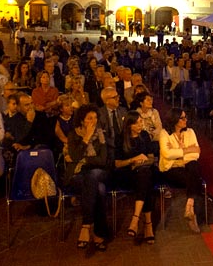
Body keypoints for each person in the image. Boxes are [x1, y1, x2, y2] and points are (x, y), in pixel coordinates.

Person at [65, 104, 109, 251]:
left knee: (93, 175)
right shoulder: (74, 135)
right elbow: (75, 155)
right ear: (82, 121)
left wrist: (84, 161)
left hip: (98, 171)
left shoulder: (101, 135)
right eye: (89, 118)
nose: (94, 121)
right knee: (100, 189)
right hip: (78, 176)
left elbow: (102, 160)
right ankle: (99, 234)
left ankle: (86, 225)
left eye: (95, 117)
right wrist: (86, 138)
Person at [158, 107, 204, 233]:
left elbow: (197, 154)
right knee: (196, 179)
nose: (185, 120)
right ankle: (191, 211)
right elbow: (166, 154)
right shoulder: (164, 133)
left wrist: (178, 154)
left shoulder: (190, 132)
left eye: (185, 117)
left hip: (188, 167)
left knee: (194, 165)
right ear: (174, 120)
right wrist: (187, 150)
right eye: (182, 118)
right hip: (170, 169)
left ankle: (190, 207)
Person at [113, 111, 156, 244]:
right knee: (146, 182)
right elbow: (117, 163)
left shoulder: (144, 135)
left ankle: (135, 219)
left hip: (144, 171)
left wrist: (143, 161)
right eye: (136, 123)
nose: (140, 125)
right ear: (129, 125)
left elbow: (152, 157)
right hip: (127, 174)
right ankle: (148, 224)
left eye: (140, 122)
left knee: (145, 175)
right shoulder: (121, 138)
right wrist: (133, 160)